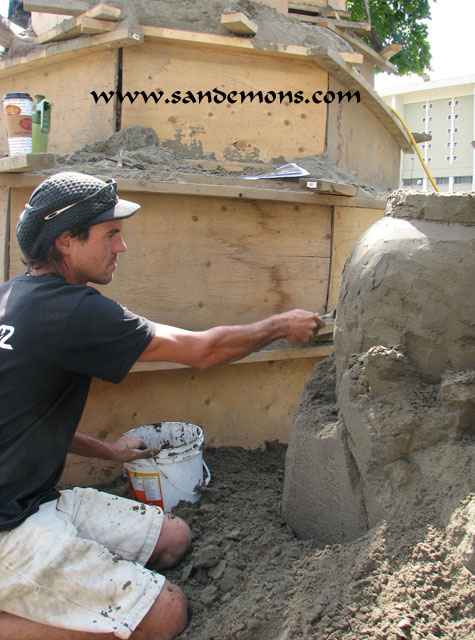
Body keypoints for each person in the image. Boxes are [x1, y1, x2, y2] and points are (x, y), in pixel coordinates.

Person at [0, 171, 324, 640]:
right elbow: (200, 350)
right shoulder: (74, 310)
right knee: (168, 614)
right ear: (67, 241)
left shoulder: (12, 297)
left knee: (174, 540)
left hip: (31, 501)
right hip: (8, 528)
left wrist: (107, 452)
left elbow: (20, 420)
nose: (121, 247)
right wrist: (278, 325)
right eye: (111, 234)